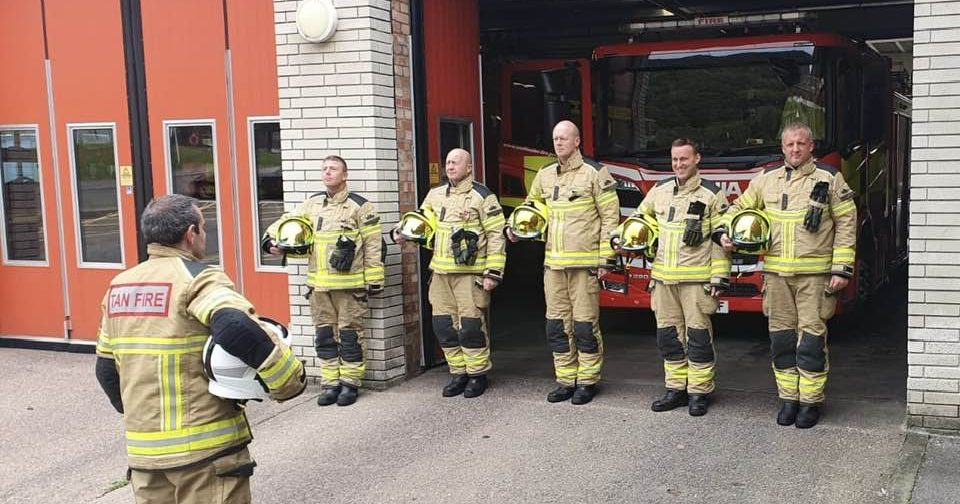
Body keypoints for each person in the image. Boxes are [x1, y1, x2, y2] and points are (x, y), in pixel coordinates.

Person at [94, 194, 306, 503]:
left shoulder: (119, 287)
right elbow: (235, 326)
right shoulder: (195, 279)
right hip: (206, 457)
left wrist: (143, 419)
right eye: (204, 227)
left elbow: (105, 370)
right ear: (191, 233)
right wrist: (288, 381)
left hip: (145, 460)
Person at [716, 123, 856, 428]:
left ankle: (810, 402)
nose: (795, 149)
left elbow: (847, 223)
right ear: (782, 148)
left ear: (811, 147)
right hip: (777, 276)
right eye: (790, 144)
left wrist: (841, 268)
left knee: (810, 341)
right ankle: (788, 399)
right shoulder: (765, 181)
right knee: (781, 340)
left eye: (801, 144)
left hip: (815, 277)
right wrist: (724, 232)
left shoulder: (829, 178)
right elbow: (737, 208)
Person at [507, 120, 620, 405]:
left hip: (585, 267)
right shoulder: (544, 175)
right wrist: (515, 227)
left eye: (564, 138)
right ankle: (566, 380)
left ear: (577, 141)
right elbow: (530, 207)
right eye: (556, 138)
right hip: (553, 266)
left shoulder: (595, 173)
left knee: (584, 326)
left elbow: (610, 219)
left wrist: (607, 258)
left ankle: (587, 381)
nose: (558, 143)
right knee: (557, 326)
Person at [263, 155, 384, 407]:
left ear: (345, 175)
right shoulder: (312, 204)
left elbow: (374, 246)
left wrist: (374, 280)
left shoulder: (360, 207)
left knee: (350, 337)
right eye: (325, 169)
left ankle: (350, 384)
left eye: (333, 169)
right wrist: (271, 241)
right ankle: (331, 384)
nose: (328, 173)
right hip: (319, 288)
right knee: (325, 336)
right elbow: (287, 222)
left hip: (350, 288)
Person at [626, 138, 730, 416]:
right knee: (669, 338)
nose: (679, 164)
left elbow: (722, 239)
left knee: (697, 339)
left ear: (697, 159)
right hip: (663, 281)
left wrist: (719, 278)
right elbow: (639, 219)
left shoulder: (711, 194)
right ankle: (675, 389)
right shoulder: (659, 191)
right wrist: (622, 236)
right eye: (674, 159)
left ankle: (699, 392)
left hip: (696, 283)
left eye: (684, 159)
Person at [394, 148, 505, 398]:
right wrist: (401, 233)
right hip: (441, 275)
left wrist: (493, 272)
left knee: (470, 327)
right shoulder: (435, 195)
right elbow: (422, 224)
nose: (451, 166)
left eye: (456, 162)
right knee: (443, 326)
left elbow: (497, 235)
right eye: (448, 162)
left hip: (471, 276)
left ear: (469, 168)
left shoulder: (483, 196)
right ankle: (458, 373)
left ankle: (477, 375)